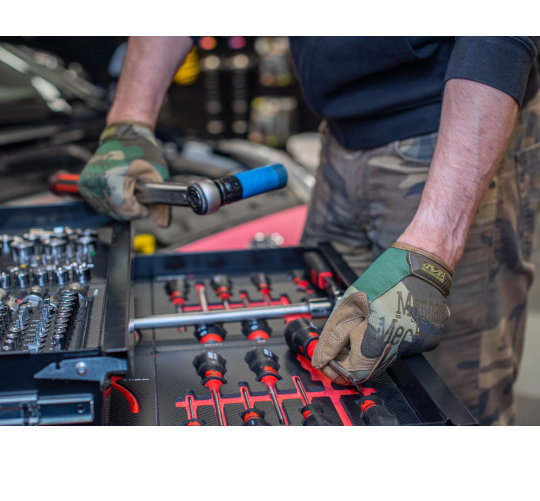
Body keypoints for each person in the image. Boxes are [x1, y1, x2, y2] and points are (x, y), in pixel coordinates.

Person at [78, 36, 540, 425]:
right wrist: (129, 122)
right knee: (335, 376)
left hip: (452, 138)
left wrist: (432, 250)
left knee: (446, 404)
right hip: (338, 139)